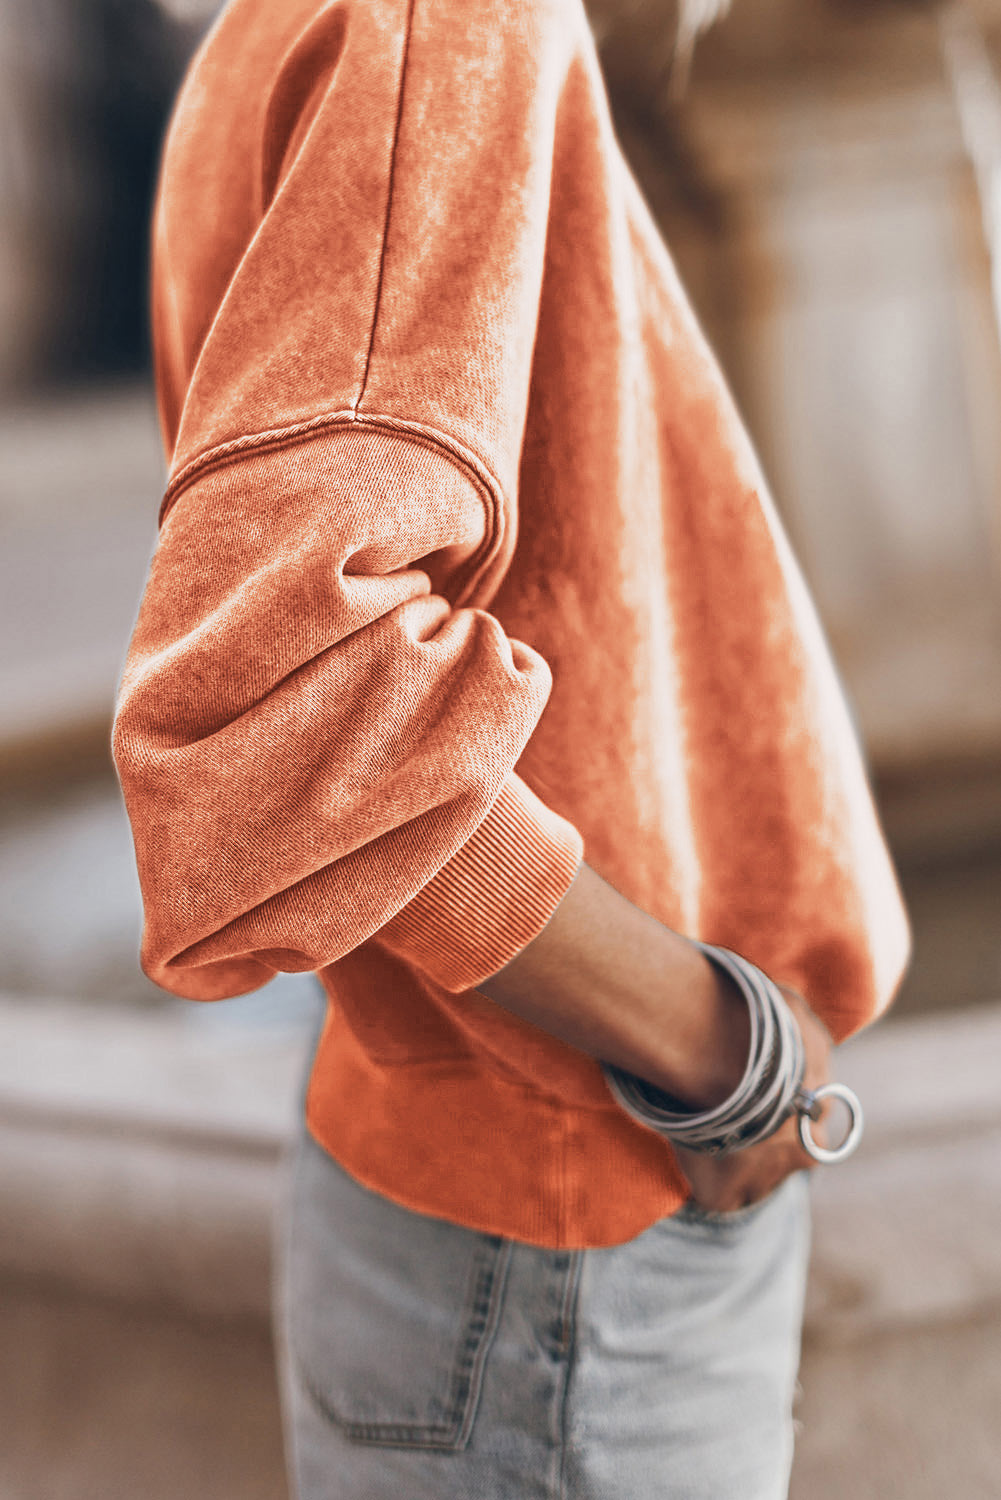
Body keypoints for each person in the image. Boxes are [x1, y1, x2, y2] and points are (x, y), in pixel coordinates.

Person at [112, 0, 912, 1494]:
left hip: (508, 1209)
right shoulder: (445, 17)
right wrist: (719, 1051)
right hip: (575, 1208)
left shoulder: (294, 27)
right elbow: (292, 691)